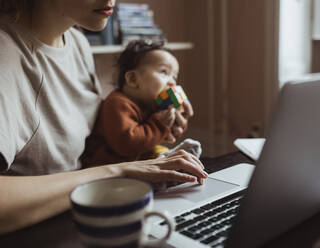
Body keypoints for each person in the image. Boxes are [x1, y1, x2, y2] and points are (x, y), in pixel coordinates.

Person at [0, 0, 207, 234]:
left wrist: (155, 119)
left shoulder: (77, 43)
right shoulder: (5, 54)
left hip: (82, 214)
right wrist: (117, 172)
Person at [81, 39, 202, 167]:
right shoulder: (117, 103)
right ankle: (169, 164)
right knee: (157, 155)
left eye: (174, 77)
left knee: (161, 152)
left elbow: (159, 134)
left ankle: (174, 160)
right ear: (133, 79)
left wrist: (177, 120)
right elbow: (127, 144)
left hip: (138, 159)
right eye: (164, 72)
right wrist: (160, 124)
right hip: (109, 166)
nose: (172, 83)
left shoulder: (152, 105)